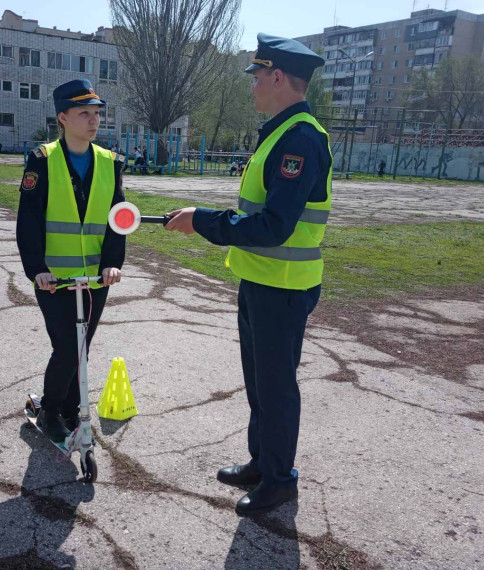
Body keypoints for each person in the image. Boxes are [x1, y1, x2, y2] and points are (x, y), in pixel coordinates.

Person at [165, 34, 331, 517]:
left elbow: (274, 226)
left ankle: (280, 480)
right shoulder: (281, 132)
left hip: (283, 286)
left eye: (257, 76)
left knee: (276, 388)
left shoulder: (300, 138)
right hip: (261, 281)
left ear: (278, 77)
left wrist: (203, 220)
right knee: (260, 383)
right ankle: (263, 462)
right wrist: (204, 219)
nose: (253, 86)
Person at [16, 79, 126, 443]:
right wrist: (36, 270)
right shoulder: (42, 160)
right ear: (63, 118)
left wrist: (112, 262)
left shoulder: (111, 163)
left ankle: (69, 407)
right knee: (67, 346)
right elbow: (28, 219)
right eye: (84, 113)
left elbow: (117, 219)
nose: (94, 121)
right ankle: (51, 410)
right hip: (54, 277)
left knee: (81, 347)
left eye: (96, 114)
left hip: (96, 279)